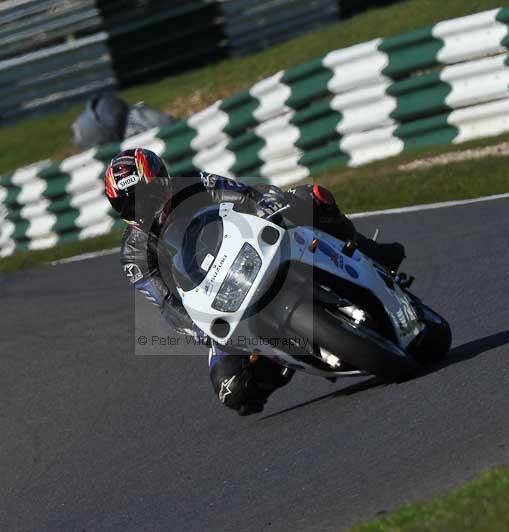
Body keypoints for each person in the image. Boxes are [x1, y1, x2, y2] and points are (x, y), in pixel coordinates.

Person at [104, 148, 406, 416]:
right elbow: (166, 303)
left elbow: (241, 194)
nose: (142, 208)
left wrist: (265, 204)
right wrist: (200, 328)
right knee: (233, 391)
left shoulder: (192, 183)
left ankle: (370, 252)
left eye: (146, 195)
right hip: (217, 298)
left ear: (162, 180)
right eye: (130, 205)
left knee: (310, 197)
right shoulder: (134, 253)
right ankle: (276, 359)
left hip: (253, 246)